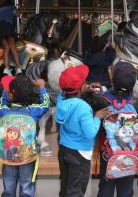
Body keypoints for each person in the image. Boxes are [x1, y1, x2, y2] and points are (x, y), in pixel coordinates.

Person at [56, 65, 109, 197]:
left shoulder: (60, 100)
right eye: (84, 83)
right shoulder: (84, 107)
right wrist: (97, 117)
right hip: (80, 153)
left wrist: (84, 90)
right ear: (80, 88)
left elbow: (68, 95)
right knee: (76, 190)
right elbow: (90, 132)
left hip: (64, 149)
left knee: (65, 186)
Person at [0, 74, 50, 197]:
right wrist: (42, 88)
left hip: (8, 157)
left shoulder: (4, 111)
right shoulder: (33, 111)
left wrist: (6, 92)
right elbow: (45, 105)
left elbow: (3, 103)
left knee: (8, 186)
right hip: (27, 157)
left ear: (11, 94)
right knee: (27, 186)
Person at [95, 61, 138, 197]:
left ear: (113, 81)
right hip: (128, 152)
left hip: (107, 152)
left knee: (106, 187)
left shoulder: (102, 100)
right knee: (125, 189)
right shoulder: (135, 103)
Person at [0, 0, 19, 76]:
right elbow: (17, 14)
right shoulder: (12, 7)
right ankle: (18, 68)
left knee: (6, 48)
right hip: (7, 26)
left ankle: (7, 68)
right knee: (13, 47)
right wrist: (19, 9)